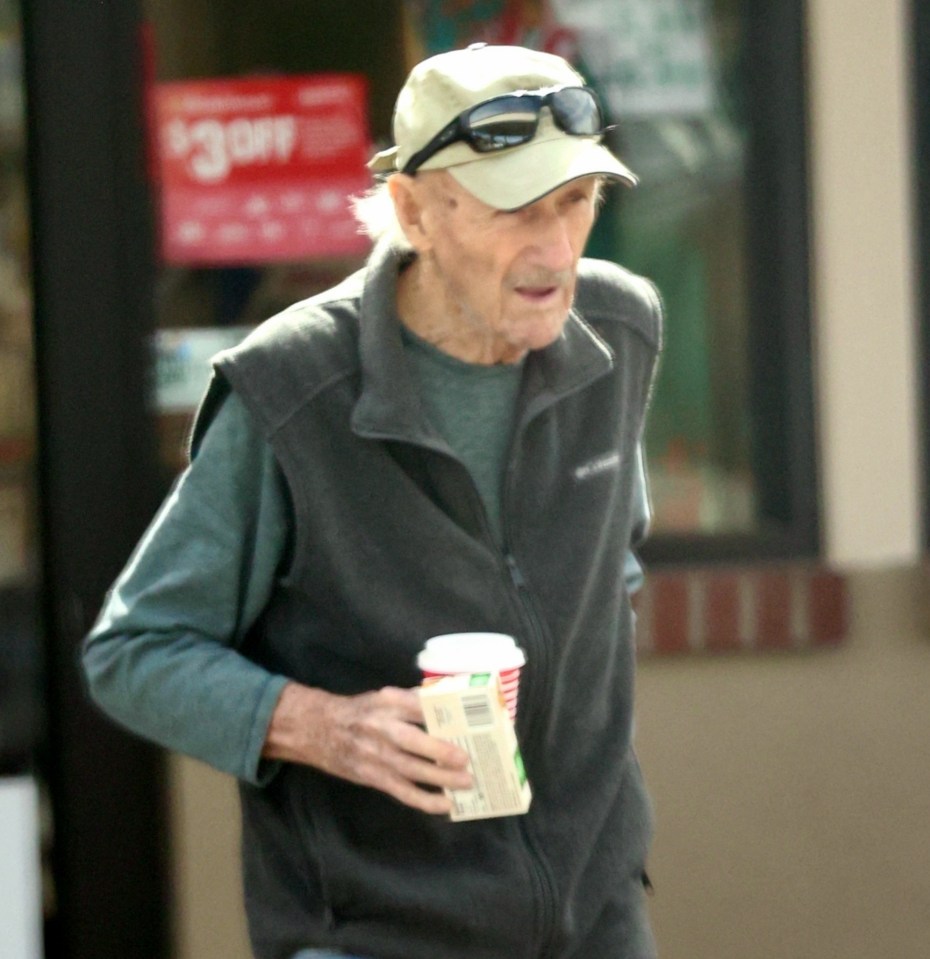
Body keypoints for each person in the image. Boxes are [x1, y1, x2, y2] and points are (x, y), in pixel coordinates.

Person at [83, 43, 663, 959]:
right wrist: (325, 727)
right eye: (516, 209)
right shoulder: (292, 390)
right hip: (370, 933)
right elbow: (135, 651)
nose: (555, 250)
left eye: (576, 202)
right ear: (413, 212)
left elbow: (612, 560)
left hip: (597, 925)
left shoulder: (619, 330)